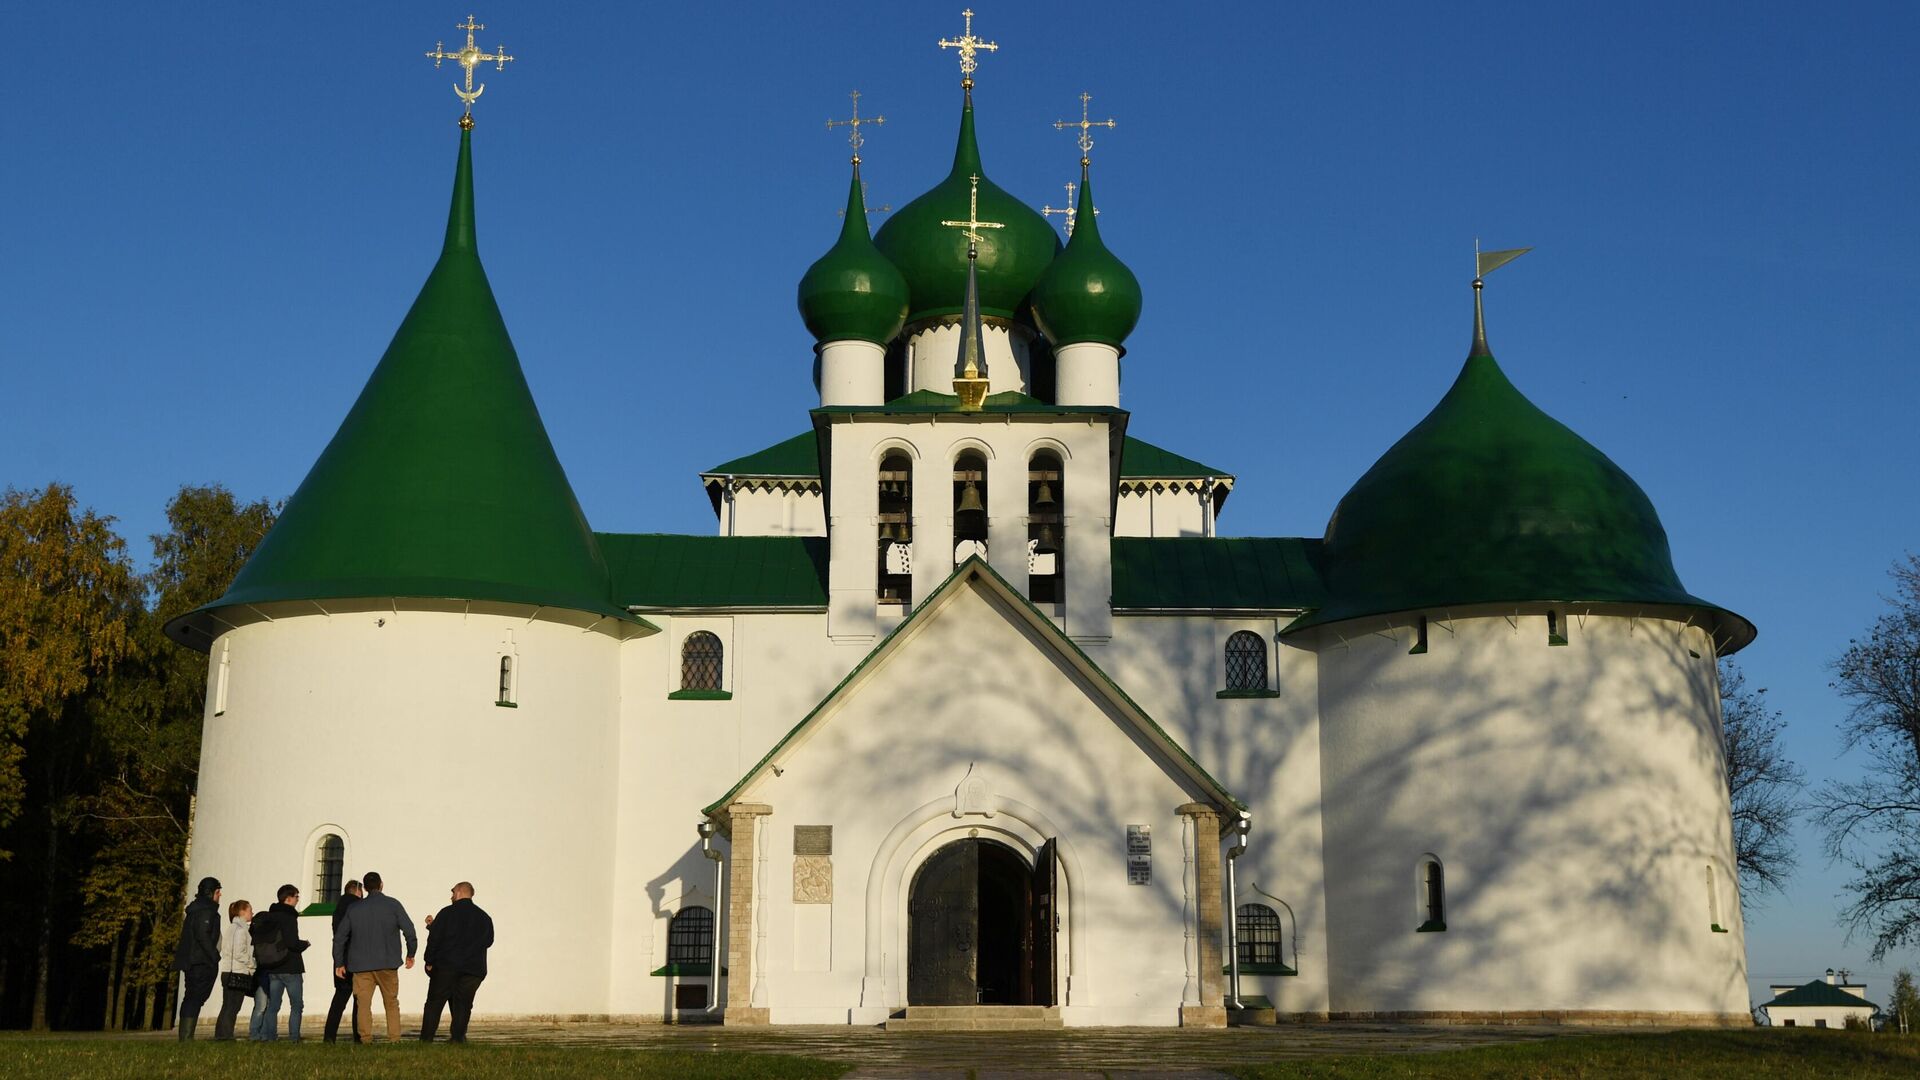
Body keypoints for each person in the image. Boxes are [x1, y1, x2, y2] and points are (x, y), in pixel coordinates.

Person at [333, 870, 416, 1044]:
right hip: (388, 963)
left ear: (366, 887)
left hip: (361, 966)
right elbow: (409, 930)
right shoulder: (393, 905)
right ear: (381, 885)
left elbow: (340, 937)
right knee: (391, 1003)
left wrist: (339, 962)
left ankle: (365, 1039)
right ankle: (394, 1038)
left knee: (363, 1004)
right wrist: (411, 953)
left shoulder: (354, 908)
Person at [420, 882, 494, 1043]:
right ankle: (458, 1038)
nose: (451, 896)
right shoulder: (484, 917)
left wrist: (429, 961)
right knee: (464, 1004)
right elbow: (488, 941)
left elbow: (435, 939)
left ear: (460, 892)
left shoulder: (446, 913)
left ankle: (426, 1039)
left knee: (434, 1003)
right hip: (473, 970)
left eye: (453, 892)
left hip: (446, 966)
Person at [251, 883, 310, 1040]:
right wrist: (305, 944)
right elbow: (291, 943)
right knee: (296, 1005)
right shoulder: (289, 917)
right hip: (291, 966)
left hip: (273, 968)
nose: (298, 900)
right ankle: (294, 1037)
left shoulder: (270, 916)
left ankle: (270, 1036)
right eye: (296, 897)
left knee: (273, 1005)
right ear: (288, 899)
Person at [172, 876, 222, 1039]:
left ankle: (186, 1036)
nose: (219, 895)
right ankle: (186, 1037)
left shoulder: (195, 910)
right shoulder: (206, 910)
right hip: (200, 961)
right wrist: (214, 956)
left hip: (192, 960)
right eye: (217, 892)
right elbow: (202, 935)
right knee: (194, 997)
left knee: (192, 997)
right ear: (210, 893)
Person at [322, 879, 365, 1043]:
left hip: (341, 959)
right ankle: (358, 1036)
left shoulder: (338, 908)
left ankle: (329, 1036)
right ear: (357, 891)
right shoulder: (357, 907)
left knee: (339, 1000)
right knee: (359, 1000)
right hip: (356, 958)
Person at [211, 899, 256, 1040]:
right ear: (242, 912)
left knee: (228, 1005)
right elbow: (239, 952)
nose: (252, 913)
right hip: (236, 972)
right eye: (249, 910)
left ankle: (222, 1034)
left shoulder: (232, 928)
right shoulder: (240, 930)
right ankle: (225, 1035)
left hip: (228, 971)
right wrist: (252, 963)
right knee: (233, 1006)